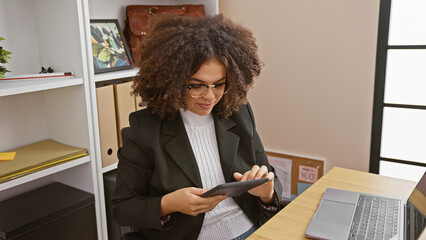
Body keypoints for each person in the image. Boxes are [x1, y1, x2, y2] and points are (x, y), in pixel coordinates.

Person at [111, 14, 282, 240]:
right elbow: (122, 209)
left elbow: (271, 179)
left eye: (219, 84)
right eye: (196, 86)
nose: (210, 96)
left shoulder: (239, 113)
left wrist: (267, 193)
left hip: (250, 229)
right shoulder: (145, 129)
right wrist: (168, 204)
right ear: (172, 80)